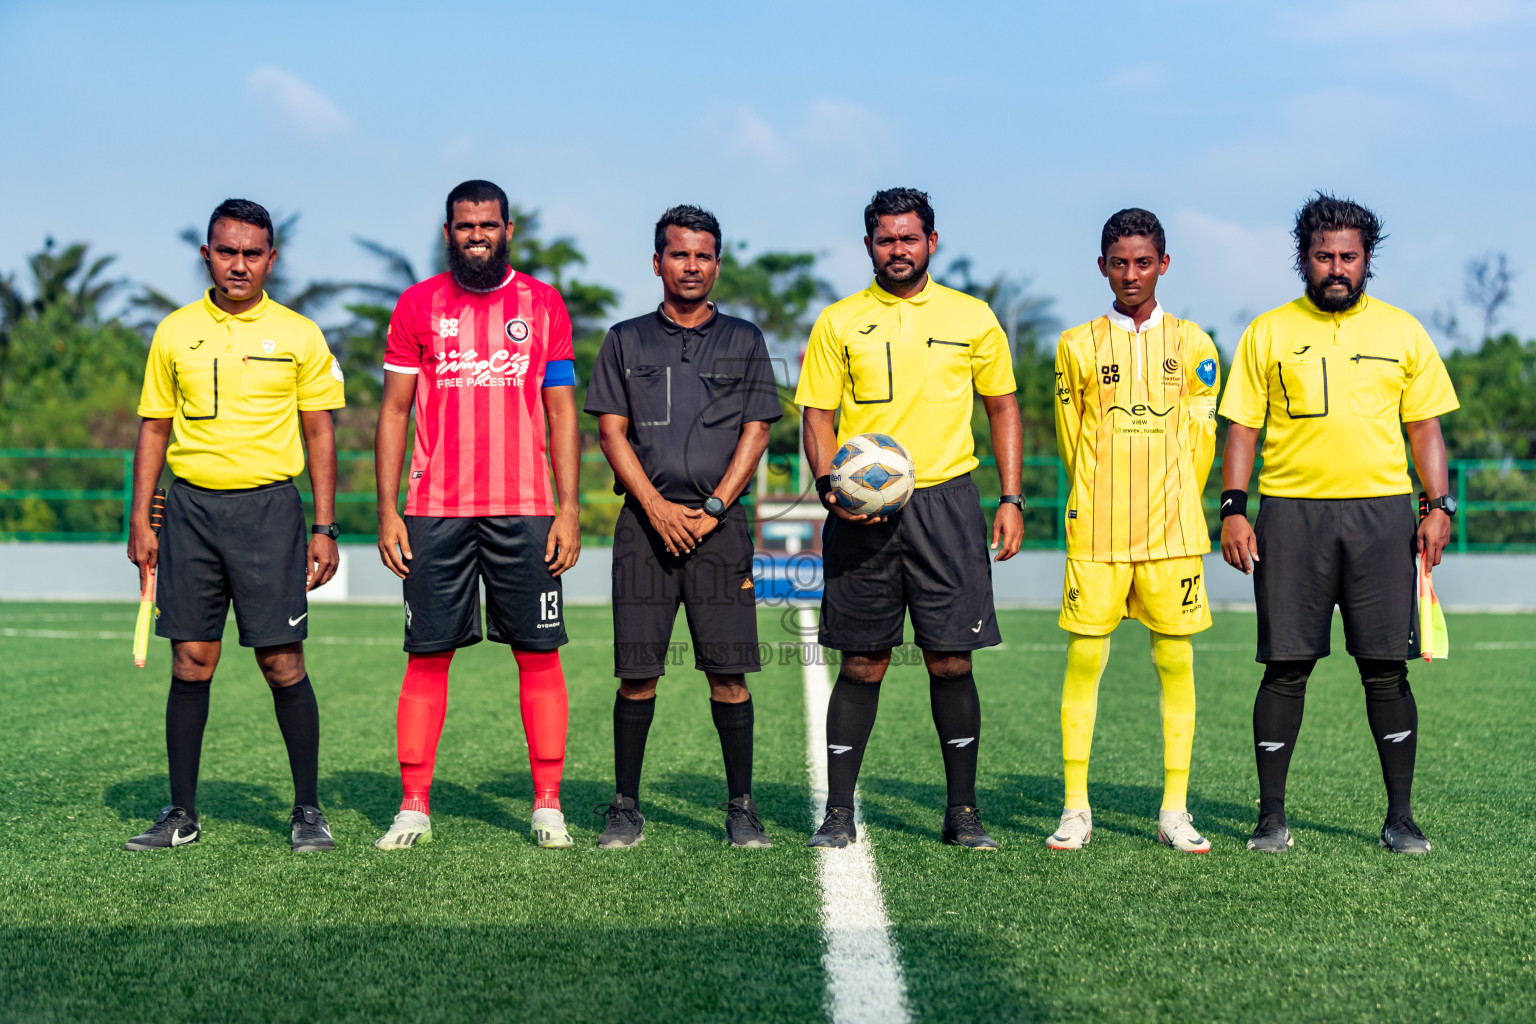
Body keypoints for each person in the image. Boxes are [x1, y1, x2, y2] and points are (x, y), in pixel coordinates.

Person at [1218, 192, 1459, 855]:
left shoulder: (1402, 331)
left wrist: (1437, 505)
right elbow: (1241, 426)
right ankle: (1271, 818)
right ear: (1303, 258)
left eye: (1347, 256)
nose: (1335, 267)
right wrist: (1234, 507)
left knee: (1386, 670)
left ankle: (1401, 819)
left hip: (1382, 517)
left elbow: (1425, 426)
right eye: (1323, 255)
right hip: (1290, 518)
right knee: (1285, 667)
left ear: (1366, 260)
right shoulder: (1267, 331)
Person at [794, 187, 1024, 850]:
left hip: (947, 502)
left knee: (950, 659)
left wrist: (1010, 498)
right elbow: (817, 415)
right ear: (868, 245)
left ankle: (964, 813)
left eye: (910, 238)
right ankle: (838, 813)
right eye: (886, 239)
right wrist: (827, 486)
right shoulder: (839, 321)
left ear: (932, 241)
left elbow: (1003, 407)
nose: (899, 249)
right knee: (863, 662)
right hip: (861, 509)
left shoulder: (972, 317)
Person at [124, 199, 345, 853]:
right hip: (189, 510)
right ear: (207, 255)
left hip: (270, 513)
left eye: (252, 253)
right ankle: (181, 814)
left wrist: (326, 527)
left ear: (271, 259)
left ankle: (307, 811)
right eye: (227, 251)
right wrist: (141, 516)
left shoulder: (301, 333)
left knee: (282, 661)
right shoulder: (174, 331)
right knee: (192, 660)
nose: (239, 264)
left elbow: (320, 431)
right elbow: (154, 426)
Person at [373, 180, 582, 850]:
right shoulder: (417, 305)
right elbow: (395, 413)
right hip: (434, 510)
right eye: (465, 226)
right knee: (427, 658)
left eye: (488, 225)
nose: (477, 236)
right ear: (448, 232)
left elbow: (561, 410)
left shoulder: (543, 305)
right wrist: (387, 509)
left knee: (538, 655)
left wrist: (570, 507)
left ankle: (547, 803)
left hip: (526, 508)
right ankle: (413, 805)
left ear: (508, 230)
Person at [585, 205, 783, 849]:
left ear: (717, 264)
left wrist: (714, 509)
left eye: (702, 255)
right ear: (657, 262)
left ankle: (742, 807)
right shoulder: (625, 339)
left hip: (720, 530)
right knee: (637, 673)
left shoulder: (745, 339)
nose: (691, 266)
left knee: (729, 672)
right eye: (678, 254)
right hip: (644, 530)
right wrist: (658, 508)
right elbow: (610, 429)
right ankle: (624, 806)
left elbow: (757, 430)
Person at [1046, 209, 1221, 854]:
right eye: (1118, 262)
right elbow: (1072, 441)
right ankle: (1075, 808)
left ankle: (1174, 808)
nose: (1130, 274)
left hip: (1174, 532)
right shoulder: (1076, 346)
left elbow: (1202, 437)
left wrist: (1175, 501)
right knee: (1085, 658)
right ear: (1102, 267)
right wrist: (1099, 496)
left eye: (1143, 262)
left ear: (1163, 265)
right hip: (1096, 530)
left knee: (1175, 660)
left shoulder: (1196, 345)